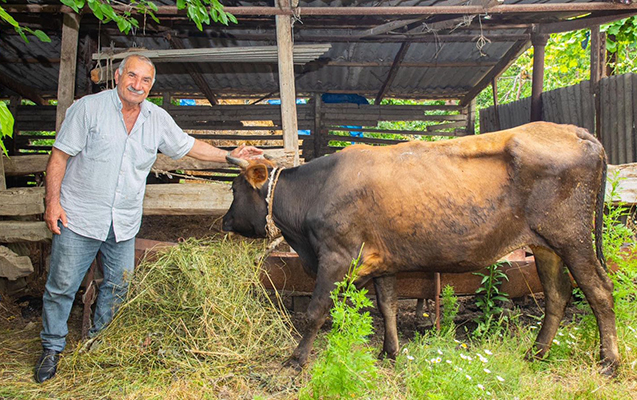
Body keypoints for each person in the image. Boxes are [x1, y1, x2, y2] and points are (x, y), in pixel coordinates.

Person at [35, 54, 262, 383]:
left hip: (123, 223)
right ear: (117, 76)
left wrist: (229, 155)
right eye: (132, 76)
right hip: (79, 216)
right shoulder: (88, 109)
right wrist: (52, 203)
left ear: (152, 86)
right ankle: (51, 349)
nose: (137, 85)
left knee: (118, 286)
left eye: (145, 80)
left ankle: (100, 343)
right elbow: (59, 157)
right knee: (61, 286)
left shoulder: (156, 118)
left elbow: (188, 146)